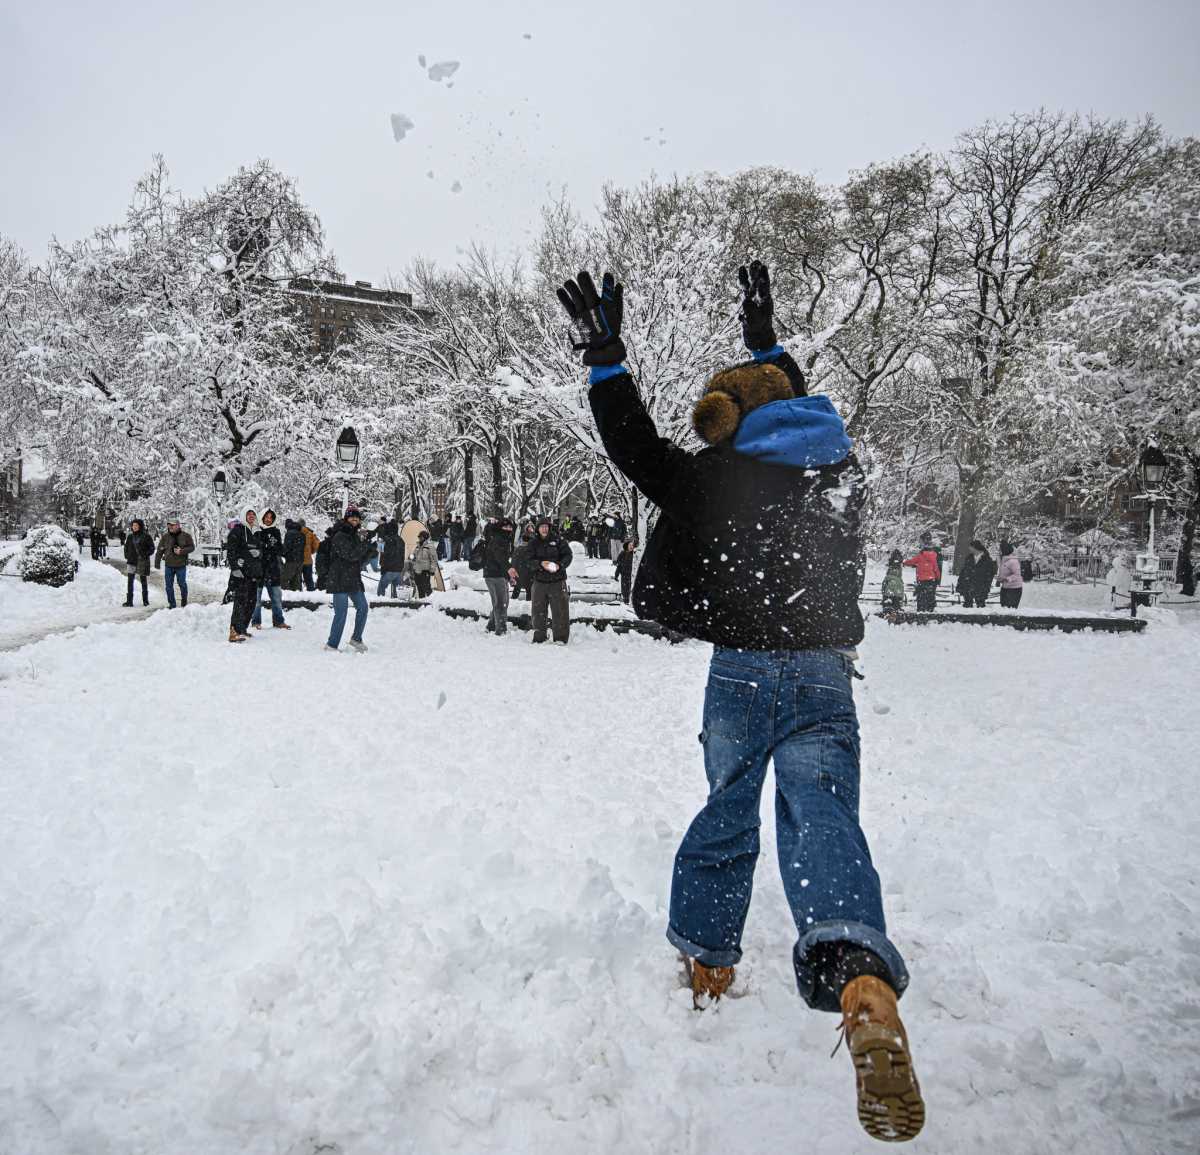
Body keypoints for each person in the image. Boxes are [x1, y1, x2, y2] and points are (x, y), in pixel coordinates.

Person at [556, 262, 922, 1142]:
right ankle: (858, 975)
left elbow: (635, 448)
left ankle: (709, 964)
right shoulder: (842, 473)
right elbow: (792, 404)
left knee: (729, 809)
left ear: (737, 417)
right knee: (823, 814)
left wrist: (606, 357)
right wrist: (769, 345)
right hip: (824, 673)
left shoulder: (716, 478)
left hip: (741, 672)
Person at [324, 507, 376, 652]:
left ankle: (356, 638)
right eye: (352, 517)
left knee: (363, 608)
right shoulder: (340, 535)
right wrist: (365, 544)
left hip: (353, 579)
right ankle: (332, 644)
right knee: (341, 613)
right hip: (339, 578)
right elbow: (350, 555)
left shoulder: (356, 535)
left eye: (357, 517)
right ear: (346, 518)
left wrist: (371, 548)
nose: (355, 519)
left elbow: (359, 560)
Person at [527, 515, 572, 643]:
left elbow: (568, 555)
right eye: (542, 527)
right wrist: (540, 564)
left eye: (546, 527)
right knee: (538, 612)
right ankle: (539, 637)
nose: (544, 529)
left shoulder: (558, 540)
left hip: (557, 581)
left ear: (550, 528)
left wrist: (560, 565)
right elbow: (528, 561)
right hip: (539, 582)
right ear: (538, 529)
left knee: (560, 611)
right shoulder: (533, 543)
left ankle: (561, 639)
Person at [225, 510, 264, 642]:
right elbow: (231, 550)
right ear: (243, 516)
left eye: (253, 515)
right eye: (249, 514)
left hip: (254, 573)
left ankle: (242, 629)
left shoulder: (258, 532)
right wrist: (235, 566)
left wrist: (258, 553)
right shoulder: (237, 531)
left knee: (251, 602)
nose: (251, 517)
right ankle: (234, 631)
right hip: (241, 573)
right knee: (240, 602)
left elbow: (263, 550)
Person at [251, 509, 289, 630]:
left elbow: (279, 549)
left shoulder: (276, 532)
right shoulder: (256, 531)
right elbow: (257, 549)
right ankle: (256, 621)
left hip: (273, 570)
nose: (268, 519)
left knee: (276, 598)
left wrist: (270, 547)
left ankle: (279, 620)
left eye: (270, 517)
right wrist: (267, 547)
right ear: (262, 517)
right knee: (256, 599)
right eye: (266, 517)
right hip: (259, 570)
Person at [482, 515, 517, 634]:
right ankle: (500, 629)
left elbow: (502, 560)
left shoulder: (505, 539)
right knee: (501, 603)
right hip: (493, 574)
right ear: (501, 527)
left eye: (510, 527)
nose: (508, 529)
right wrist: (509, 569)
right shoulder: (498, 539)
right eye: (505, 526)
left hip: (499, 574)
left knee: (502, 602)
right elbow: (499, 557)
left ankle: (491, 626)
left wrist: (508, 576)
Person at [154, 515, 194, 609]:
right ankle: (172, 604)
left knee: (182, 584)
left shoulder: (186, 536)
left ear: (178, 525)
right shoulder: (165, 537)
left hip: (181, 565)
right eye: (169, 525)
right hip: (169, 565)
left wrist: (182, 551)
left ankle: (184, 601)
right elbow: (160, 550)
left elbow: (192, 547)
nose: (170, 527)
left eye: (173, 525)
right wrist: (157, 562)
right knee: (168, 586)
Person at [903, 532, 942, 613]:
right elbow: (936, 569)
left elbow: (911, 561)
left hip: (922, 580)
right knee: (930, 597)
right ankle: (930, 610)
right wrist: (938, 578)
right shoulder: (934, 555)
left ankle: (921, 611)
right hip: (931, 580)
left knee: (921, 598)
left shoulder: (921, 555)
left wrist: (904, 563)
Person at [122, 518, 154, 606]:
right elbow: (126, 547)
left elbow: (152, 548)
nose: (134, 527)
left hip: (142, 561)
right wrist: (127, 555)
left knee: (143, 581)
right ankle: (129, 601)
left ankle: (145, 600)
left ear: (140, 526)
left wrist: (145, 554)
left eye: (136, 525)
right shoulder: (130, 536)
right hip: (131, 561)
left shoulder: (146, 536)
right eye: (133, 525)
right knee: (130, 581)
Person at [956, 540, 996, 609]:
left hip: (980, 586)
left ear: (975, 547)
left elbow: (990, 574)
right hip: (968, 586)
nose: (969, 548)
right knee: (967, 606)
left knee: (980, 606)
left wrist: (986, 586)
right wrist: (960, 584)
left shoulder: (987, 560)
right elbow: (963, 572)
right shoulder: (969, 558)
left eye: (970, 547)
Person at [376, 517, 407, 597]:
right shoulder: (401, 540)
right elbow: (402, 555)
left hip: (388, 569)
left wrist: (383, 567)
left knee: (381, 591)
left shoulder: (385, 539)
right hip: (399, 569)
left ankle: (379, 606)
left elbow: (381, 551)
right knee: (398, 594)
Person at [409, 529, 439, 599]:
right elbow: (414, 555)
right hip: (417, 570)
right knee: (419, 588)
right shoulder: (417, 546)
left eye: (421, 537)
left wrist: (432, 570)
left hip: (425, 571)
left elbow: (434, 559)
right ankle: (422, 602)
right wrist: (412, 557)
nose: (419, 538)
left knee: (427, 588)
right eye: (419, 537)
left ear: (425, 537)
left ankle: (431, 602)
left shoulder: (430, 546)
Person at [511, 523, 536, 601]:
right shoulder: (531, 551)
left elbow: (513, 562)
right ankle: (528, 606)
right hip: (529, 576)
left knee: (516, 590)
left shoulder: (518, 550)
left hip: (519, 574)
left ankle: (512, 604)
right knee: (529, 591)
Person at [997, 541, 1024, 609]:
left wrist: (1007, 579)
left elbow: (1017, 574)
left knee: (1011, 610)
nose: (999, 551)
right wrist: (1000, 578)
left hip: (1014, 589)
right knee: (1004, 608)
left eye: (1000, 549)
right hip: (1005, 588)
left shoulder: (1013, 561)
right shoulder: (1004, 560)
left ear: (1004, 550)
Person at [281, 518, 305, 591]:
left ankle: (286, 596)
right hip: (300, 560)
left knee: (284, 579)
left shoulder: (289, 533)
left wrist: (281, 552)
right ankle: (297, 598)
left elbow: (286, 547)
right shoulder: (301, 534)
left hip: (291, 560)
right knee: (296, 581)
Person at [881, 549, 907, 614]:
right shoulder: (899, 578)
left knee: (888, 595)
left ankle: (888, 606)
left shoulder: (889, 574)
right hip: (898, 592)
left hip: (889, 592)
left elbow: (884, 586)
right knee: (897, 597)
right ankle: (896, 607)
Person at [300, 519, 320, 591]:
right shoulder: (310, 533)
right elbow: (316, 545)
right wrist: (311, 551)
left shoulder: (295, 532)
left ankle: (297, 596)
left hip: (298, 560)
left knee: (297, 580)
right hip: (308, 560)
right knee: (309, 579)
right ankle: (311, 594)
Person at [614, 538, 636, 603]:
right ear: (627, 546)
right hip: (624, 574)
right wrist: (616, 575)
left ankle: (630, 601)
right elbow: (619, 566)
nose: (631, 547)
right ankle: (625, 601)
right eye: (630, 545)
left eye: (632, 545)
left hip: (631, 574)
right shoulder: (622, 554)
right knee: (624, 589)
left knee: (630, 588)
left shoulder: (634, 554)